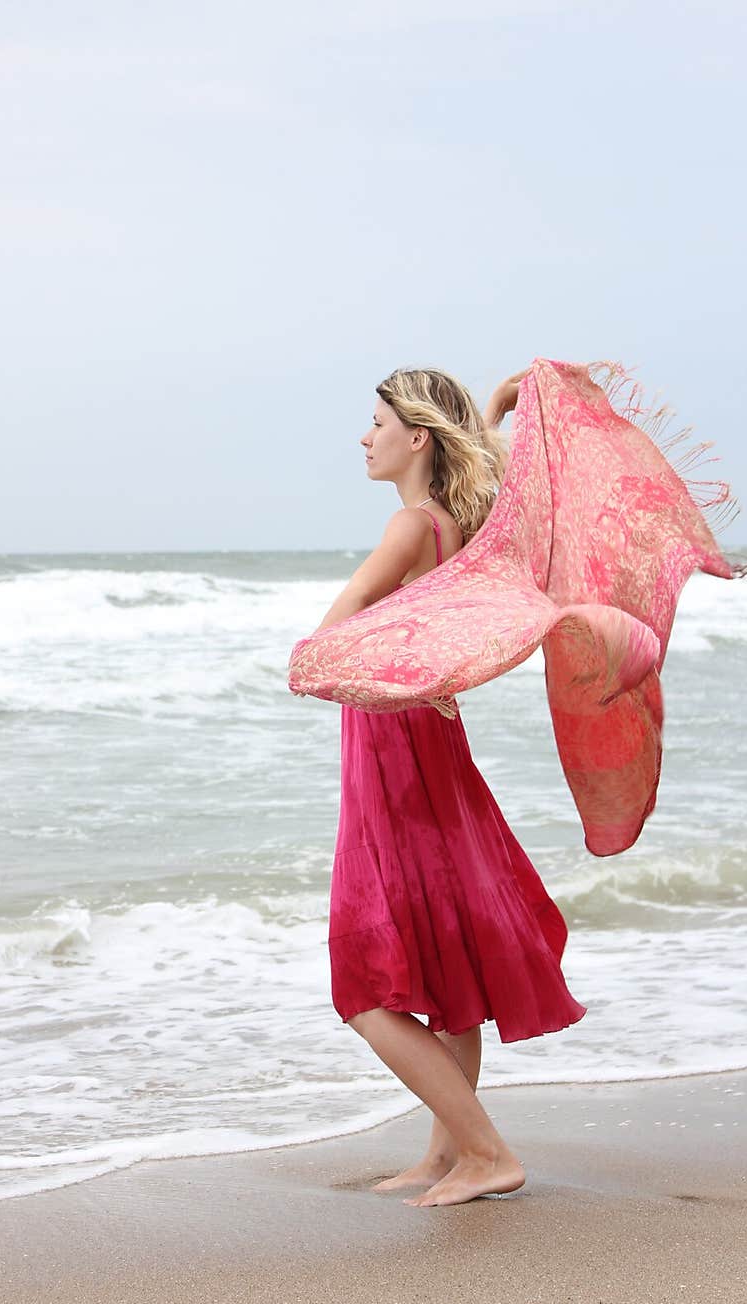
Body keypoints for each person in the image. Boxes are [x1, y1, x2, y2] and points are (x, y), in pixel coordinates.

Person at [300, 366, 587, 1208]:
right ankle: (449, 1155)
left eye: (377, 421)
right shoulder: (459, 525)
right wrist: (496, 413)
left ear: (415, 437)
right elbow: (509, 494)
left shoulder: (406, 529)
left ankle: (488, 1151)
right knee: (448, 961)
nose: (365, 436)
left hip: (396, 751)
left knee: (363, 986)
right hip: (431, 739)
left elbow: (328, 640)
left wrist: (309, 659)